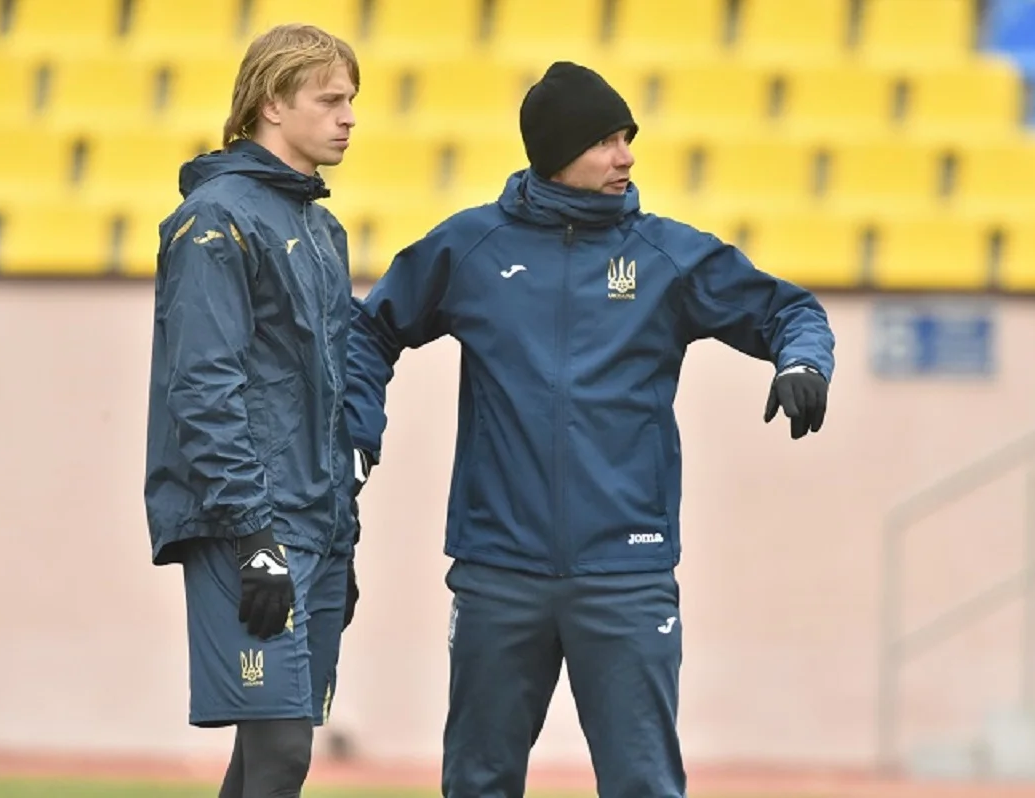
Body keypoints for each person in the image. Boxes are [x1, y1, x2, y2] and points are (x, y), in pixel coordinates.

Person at [345, 61, 836, 798]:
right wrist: (358, 433)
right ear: (557, 151)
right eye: (606, 140)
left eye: (627, 138)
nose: (626, 156)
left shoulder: (666, 255)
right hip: (498, 569)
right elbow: (370, 330)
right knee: (477, 784)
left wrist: (802, 362)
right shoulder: (471, 247)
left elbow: (789, 310)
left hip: (627, 573)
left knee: (644, 786)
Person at [143, 23, 365, 798]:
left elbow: (331, 392)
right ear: (272, 102)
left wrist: (343, 532)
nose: (349, 117)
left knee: (268, 756)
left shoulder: (322, 229)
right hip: (249, 524)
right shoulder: (216, 218)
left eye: (352, 100)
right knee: (281, 752)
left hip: (315, 525)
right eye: (330, 99)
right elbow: (203, 387)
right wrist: (252, 534)